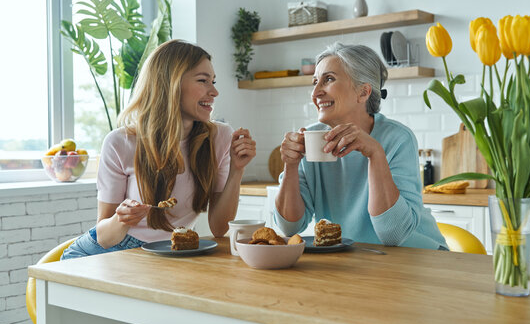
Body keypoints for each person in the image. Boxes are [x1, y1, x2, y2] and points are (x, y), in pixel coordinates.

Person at [62, 40, 256, 259]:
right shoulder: (120, 142)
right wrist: (121, 218)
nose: (214, 92)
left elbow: (219, 228)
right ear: (170, 83)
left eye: (213, 81)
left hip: (171, 250)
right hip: (107, 253)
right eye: (203, 81)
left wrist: (237, 170)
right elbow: (105, 237)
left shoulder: (219, 137)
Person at [275, 42, 447, 250]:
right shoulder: (311, 139)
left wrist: (375, 154)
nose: (316, 92)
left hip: (417, 256)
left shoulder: (397, 138)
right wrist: (290, 165)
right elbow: (289, 227)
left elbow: (394, 235)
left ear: (363, 92)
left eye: (328, 79)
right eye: (315, 82)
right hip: (354, 259)